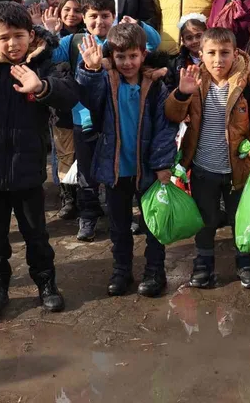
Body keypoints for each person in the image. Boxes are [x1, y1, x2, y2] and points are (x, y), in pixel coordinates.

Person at [0, 2, 79, 321]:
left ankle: (46, 283)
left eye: (19, 36)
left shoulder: (44, 66)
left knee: (37, 235)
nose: (12, 44)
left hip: (27, 171)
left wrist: (41, 87)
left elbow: (69, 94)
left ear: (31, 36)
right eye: (4, 37)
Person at [164, 28, 250, 289]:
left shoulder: (249, 85)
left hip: (238, 170)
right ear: (201, 54)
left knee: (240, 217)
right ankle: (203, 264)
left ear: (235, 53)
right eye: (211, 53)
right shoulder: (194, 81)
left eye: (224, 53)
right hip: (203, 168)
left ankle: (246, 262)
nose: (218, 59)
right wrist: (181, 94)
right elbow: (172, 115)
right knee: (206, 219)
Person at [76, 26, 177, 297]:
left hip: (148, 169)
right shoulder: (106, 80)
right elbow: (89, 97)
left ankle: (155, 270)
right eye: (120, 57)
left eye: (133, 56)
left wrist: (162, 164)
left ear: (143, 54)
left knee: (153, 223)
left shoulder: (156, 85)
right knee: (119, 225)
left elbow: (165, 126)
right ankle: (121, 269)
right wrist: (90, 69)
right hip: (116, 168)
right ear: (112, 56)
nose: (127, 63)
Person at [49, 0, 160, 233]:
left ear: (114, 16)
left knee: (122, 170)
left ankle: (126, 214)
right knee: (86, 172)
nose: (99, 21)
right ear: (84, 17)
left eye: (105, 16)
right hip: (84, 119)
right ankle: (88, 215)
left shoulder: (121, 40)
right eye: (93, 16)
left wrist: (139, 24)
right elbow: (50, 54)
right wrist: (50, 32)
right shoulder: (74, 42)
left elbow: (153, 43)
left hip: (117, 119)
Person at [166, 14, 207, 89]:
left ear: (207, 35)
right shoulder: (175, 64)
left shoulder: (216, 59)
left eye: (199, 36)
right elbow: (170, 88)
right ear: (184, 41)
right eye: (189, 38)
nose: (195, 41)